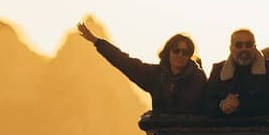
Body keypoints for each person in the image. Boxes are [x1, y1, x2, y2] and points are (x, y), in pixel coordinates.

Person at [76, 21, 206, 115]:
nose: (180, 55)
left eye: (185, 52)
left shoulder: (197, 78)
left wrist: (156, 116)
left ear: (190, 56)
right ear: (168, 52)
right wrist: (97, 42)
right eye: (176, 50)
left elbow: (192, 109)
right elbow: (125, 62)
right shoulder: (156, 75)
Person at [205, 29, 269, 116]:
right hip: (225, 123)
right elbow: (206, 103)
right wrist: (221, 105)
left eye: (248, 44)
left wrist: (240, 104)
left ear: (255, 47)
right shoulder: (218, 70)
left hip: (259, 123)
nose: (244, 49)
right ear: (231, 48)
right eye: (239, 45)